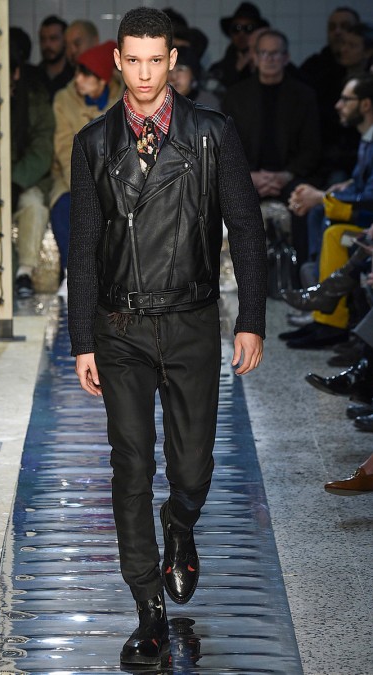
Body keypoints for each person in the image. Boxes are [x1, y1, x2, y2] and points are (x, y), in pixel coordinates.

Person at [67, 6, 267, 668]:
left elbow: (245, 225)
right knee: (130, 464)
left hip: (190, 320)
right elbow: (84, 247)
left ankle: (180, 522)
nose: (146, 74)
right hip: (120, 325)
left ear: (173, 60)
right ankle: (148, 608)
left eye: (157, 60)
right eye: (135, 60)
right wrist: (82, 338)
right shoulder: (94, 143)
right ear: (117, 62)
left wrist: (251, 318)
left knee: (193, 467)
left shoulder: (211, 134)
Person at [284, 75, 373, 347]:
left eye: (346, 99)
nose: (338, 105)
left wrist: (322, 196)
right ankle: (320, 311)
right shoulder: (366, 139)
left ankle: (330, 321)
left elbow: (369, 198)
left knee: (335, 233)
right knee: (318, 213)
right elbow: (362, 186)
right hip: (365, 220)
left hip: (366, 222)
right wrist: (335, 191)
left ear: (366, 104)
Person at [221, 29, 321, 267]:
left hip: (290, 175)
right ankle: (240, 275)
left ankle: (301, 274)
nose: (270, 59)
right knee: (231, 199)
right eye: (264, 53)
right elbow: (226, 146)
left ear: (286, 58)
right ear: (255, 57)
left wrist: (285, 175)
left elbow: (312, 148)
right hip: (248, 175)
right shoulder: (236, 96)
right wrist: (250, 176)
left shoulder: (303, 96)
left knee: (302, 202)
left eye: (276, 53)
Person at [50, 41, 124, 295]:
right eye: (77, 72)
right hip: (70, 177)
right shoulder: (64, 99)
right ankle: (72, 275)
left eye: (85, 75)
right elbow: (63, 148)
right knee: (64, 206)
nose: (77, 79)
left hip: (114, 179)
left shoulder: (124, 100)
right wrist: (83, 185)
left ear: (102, 80)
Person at [10, 35, 55, 298]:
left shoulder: (36, 101)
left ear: (16, 72)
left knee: (34, 205)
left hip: (25, 179)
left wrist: (15, 181)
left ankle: (24, 273)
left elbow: (42, 150)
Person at [299, 8, 361, 184]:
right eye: (333, 27)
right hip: (320, 156)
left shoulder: (366, 76)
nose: (338, 32)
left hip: (355, 155)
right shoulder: (315, 66)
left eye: (345, 26)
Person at [209, 2, 269, 90]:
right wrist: (236, 70)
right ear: (230, 33)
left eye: (249, 28)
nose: (241, 34)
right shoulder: (218, 70)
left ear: (258, 33)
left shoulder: (274, 64)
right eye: (236, 28)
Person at [167, 45, 220, 109]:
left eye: (180, 69)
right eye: (168, 71)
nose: (173, 77)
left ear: (192, 73)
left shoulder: (207, 102)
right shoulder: (158, 103)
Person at [38, 15, 75, 101]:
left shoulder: (76, 78)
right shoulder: (33, 77)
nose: (47, 45)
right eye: (43, 39)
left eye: (53, 38)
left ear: (65, 41)